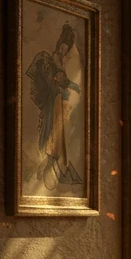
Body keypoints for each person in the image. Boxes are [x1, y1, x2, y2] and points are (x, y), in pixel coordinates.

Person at [26, 22, 84, 189]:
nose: (63, 51)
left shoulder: (61, 64)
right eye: (62, 48)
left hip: (58, 102)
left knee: (58, 133)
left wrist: (73, 86)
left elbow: (64, 81)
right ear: (59, 46)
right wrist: (57, 84)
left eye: (66, 50)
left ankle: (55, 167)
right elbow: (54, 81)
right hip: (53, 102)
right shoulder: (51, 60)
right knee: (51, 132)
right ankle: (48, 166)